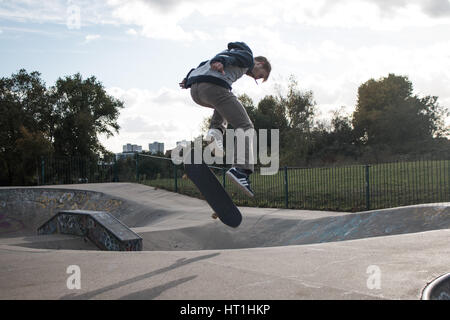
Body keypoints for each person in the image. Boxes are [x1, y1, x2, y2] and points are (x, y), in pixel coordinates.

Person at [179, 41, 271, 197]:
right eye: (259, 75)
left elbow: (204, 64)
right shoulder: (247, 57)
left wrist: (188, 78)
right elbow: (231, 56)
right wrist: (220, 62)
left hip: (196, 91)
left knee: (225, 101)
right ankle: (241, 170)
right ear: (260, 63)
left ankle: (215, 132)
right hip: (213, 87)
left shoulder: (233, 58)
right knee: (246, 126)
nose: (255, 77)